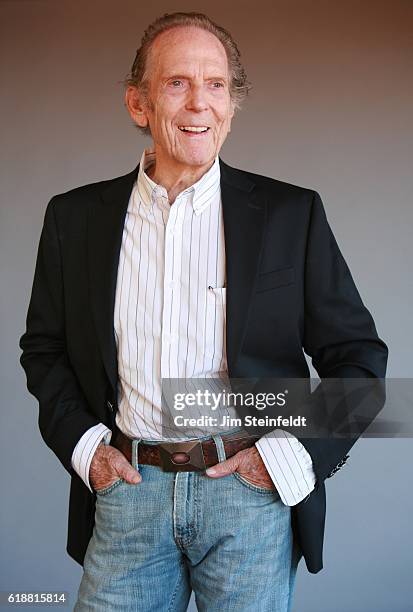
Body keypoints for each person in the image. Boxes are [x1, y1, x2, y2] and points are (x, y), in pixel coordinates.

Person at [19, 11, 388, 612]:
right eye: (177, 83)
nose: (200, 103)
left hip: (248, 499)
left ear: (232, 105)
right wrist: (87, 450)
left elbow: (361, 363)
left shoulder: (291, 215)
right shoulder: (74, 219)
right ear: (138, 103)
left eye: (216, 85)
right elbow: (45, 350)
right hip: (126, 495)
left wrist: (288, 459)